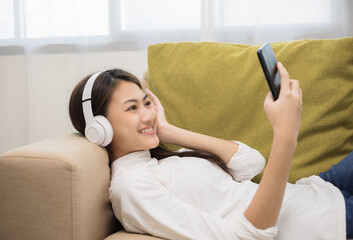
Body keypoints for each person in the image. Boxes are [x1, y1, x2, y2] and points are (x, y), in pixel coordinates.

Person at [69, 64, 351, 239]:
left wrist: (169, 132)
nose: (148, 114)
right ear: (100, 127)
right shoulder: (131, 187)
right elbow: (244, 236)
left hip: (317, 191)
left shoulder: (163, 159)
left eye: (147, 103)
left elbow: (251, 163)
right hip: (326, 222)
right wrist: (285, 134)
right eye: (132, 108)